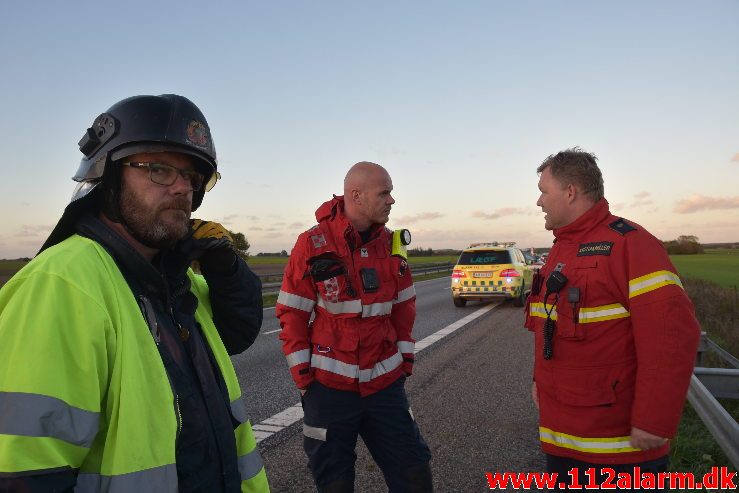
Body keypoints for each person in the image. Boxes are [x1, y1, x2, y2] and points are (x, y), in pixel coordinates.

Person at [0, 94, 269, 492]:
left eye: (192, 178)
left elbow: (240, 330)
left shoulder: (177, 281)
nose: (183, 189)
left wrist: (226, 268)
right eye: (159, 169)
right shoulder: (62, 283)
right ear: (107, 178)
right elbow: (22, 475)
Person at [525, 148, 701, 489]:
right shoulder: (561, 249)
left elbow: (672, 336)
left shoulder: (631, 246)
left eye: (543, 191)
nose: (539, 202)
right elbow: (551, 326)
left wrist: (654, 419)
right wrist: (539, 380)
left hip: (618, 449)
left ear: (571, 192)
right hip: (563, 436)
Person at [275, 162, 433, 492]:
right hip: (329, 390)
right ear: (356, 195)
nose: (392, 200)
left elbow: (404, 307)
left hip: (385, 386)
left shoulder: (393, 244)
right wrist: (305, 379)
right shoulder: (312, 243)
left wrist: (403, 361)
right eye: (385, 192)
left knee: (414, 473)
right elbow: (292, 313)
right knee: (334, 482)